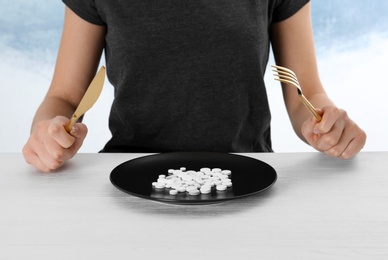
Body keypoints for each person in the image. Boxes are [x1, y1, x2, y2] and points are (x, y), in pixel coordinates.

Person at [23, 0, 366, 172]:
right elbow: (63, 97)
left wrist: (326, 124)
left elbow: (304, 92)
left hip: (249, 177)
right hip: (129, 179)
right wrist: (47, 133)